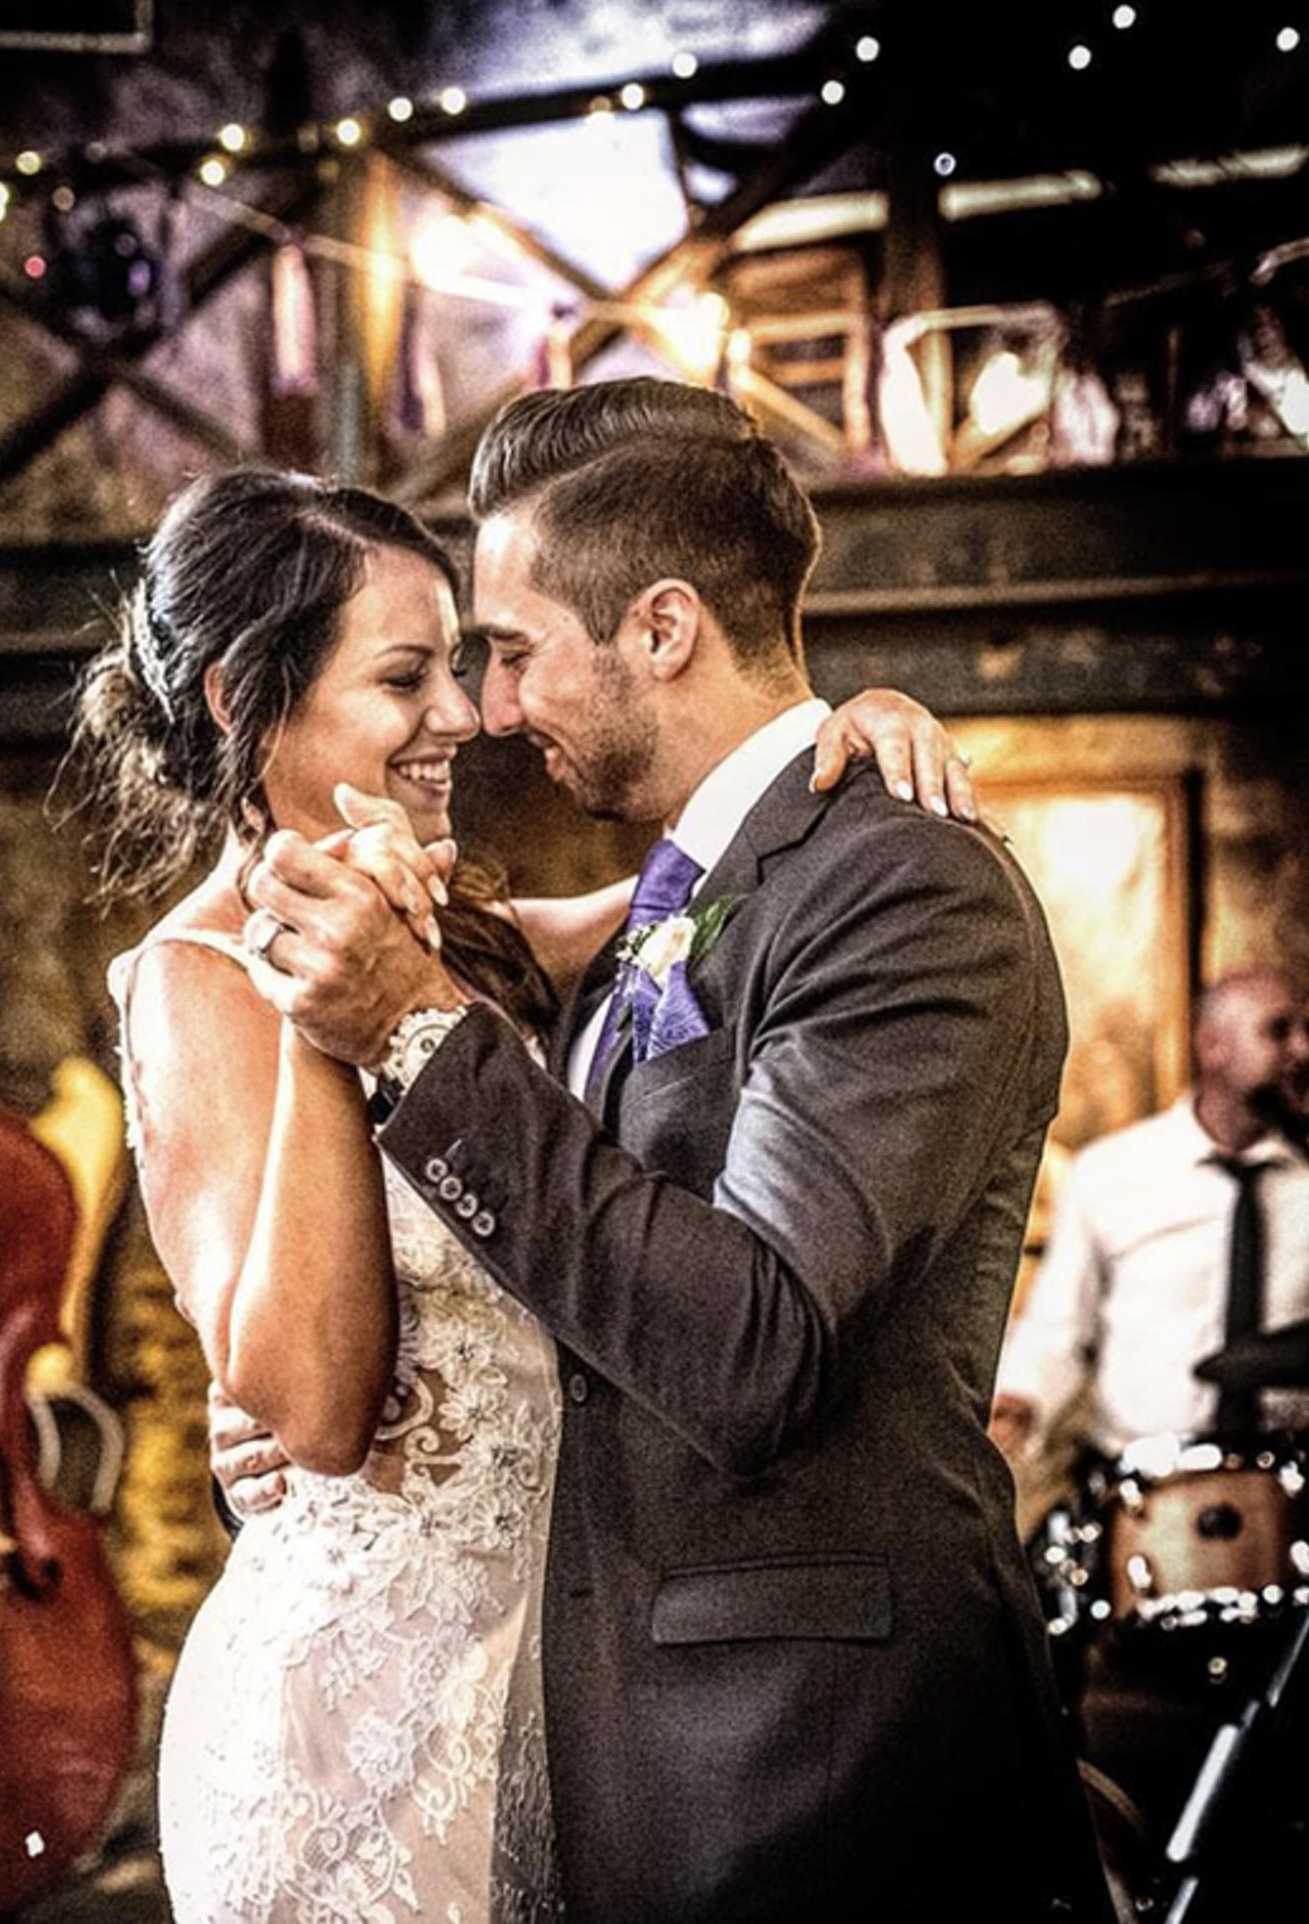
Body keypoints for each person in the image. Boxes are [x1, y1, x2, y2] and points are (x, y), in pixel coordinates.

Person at [230, 378, 1116, 1924]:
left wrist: (416, 1037)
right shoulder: (691, 885)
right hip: (627, 1748)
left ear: (660, 628)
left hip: (818, 1776)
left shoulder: (906, 891)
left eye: (510, 653)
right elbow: (571, 1223)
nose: (491, 711)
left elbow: (753, 1343)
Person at [72, 461, 983, 1923]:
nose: (463, 717)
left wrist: (844, 737)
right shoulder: (192, 988)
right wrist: (336, 1011)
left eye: (468, 666)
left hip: (563, 1692)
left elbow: (727, 881)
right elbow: (307, 1405)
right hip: (360, 1725)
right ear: (248, 698)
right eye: (408, 676)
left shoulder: (475, 931)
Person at [990, 965, 1309, 1847]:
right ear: (1212, 1045)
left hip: (1288, 1495)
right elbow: (1060, 1327)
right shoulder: (1113, 1175)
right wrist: (1018, 1403)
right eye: (1279, 1030)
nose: (1301, 1050)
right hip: (1138, 1490)